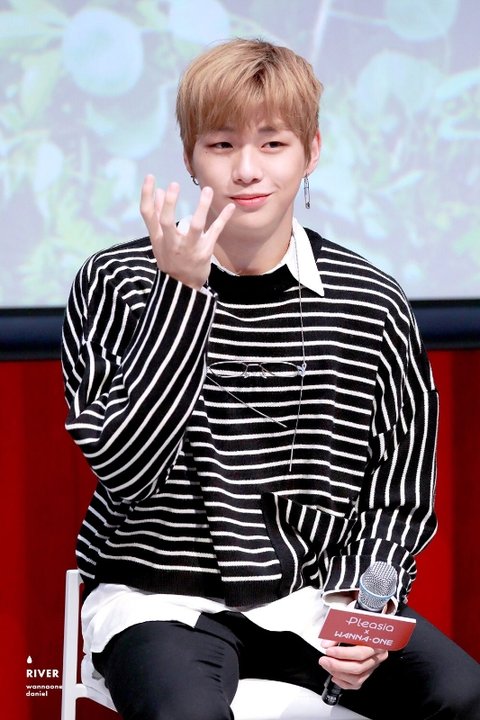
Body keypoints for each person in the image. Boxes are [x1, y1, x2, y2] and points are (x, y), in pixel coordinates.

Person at [62, 38, 480, 720]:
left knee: (461, 695)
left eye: (273, 144)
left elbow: (398, 484)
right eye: (222, 144)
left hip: (313, 599)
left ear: (311, 152)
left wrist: (366, 605)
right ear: (190, 155)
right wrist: (181, 296)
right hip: (156, 599)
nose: (247, 170)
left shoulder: (368, 301)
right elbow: (128, 470)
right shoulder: (118, 282)